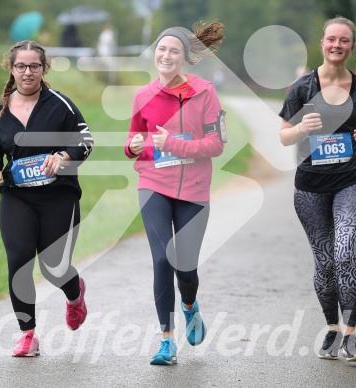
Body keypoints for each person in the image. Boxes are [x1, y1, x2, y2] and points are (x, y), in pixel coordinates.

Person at [279, 16, 356, 362]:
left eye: (344, 40)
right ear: (322, 43)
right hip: (310, 187)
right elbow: (283, 136)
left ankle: (352, 335)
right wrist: (301, 128)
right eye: (331, 39)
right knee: (325, 262)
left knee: (344, 251)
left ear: (351, 46)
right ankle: (331, 328)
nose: (336, 45)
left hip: (351, 181)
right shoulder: (301, 88)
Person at [0, 40, 94, 357]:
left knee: (54, 267)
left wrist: (64, 155)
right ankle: (28, 334)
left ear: (44, 69)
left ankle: (74, 294)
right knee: (19, 262)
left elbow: (85, 140)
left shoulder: (60, 105)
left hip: (59, 196)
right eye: (21, 66)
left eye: (34, 66)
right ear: (11, 68)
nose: (27, 72)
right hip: (16, 197)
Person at [125, 20, 226, 366]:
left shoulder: (205, 92)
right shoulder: (143, 95)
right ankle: (167, 340)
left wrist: (172, 145)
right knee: (160, 259)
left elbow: (216, 145)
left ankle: (189, 305)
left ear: (185, 58)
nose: (166, 55)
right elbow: (133, 140)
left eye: (174, 51)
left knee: (185, 268)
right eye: (162, 49)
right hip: (153, 183)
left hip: (194, 190)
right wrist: (134, 146)